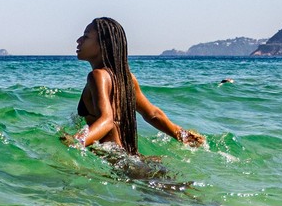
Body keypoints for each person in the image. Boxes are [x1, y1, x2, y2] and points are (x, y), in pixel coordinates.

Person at [69, 17, 204, 152]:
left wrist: (75, 142)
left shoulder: (97, 76)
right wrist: (183, 135)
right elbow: (153, 114)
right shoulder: (126, 78)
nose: (79, 40)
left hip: (114, 163)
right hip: (130, 158)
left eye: (86, 37)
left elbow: (107, 120)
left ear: (104, 44)